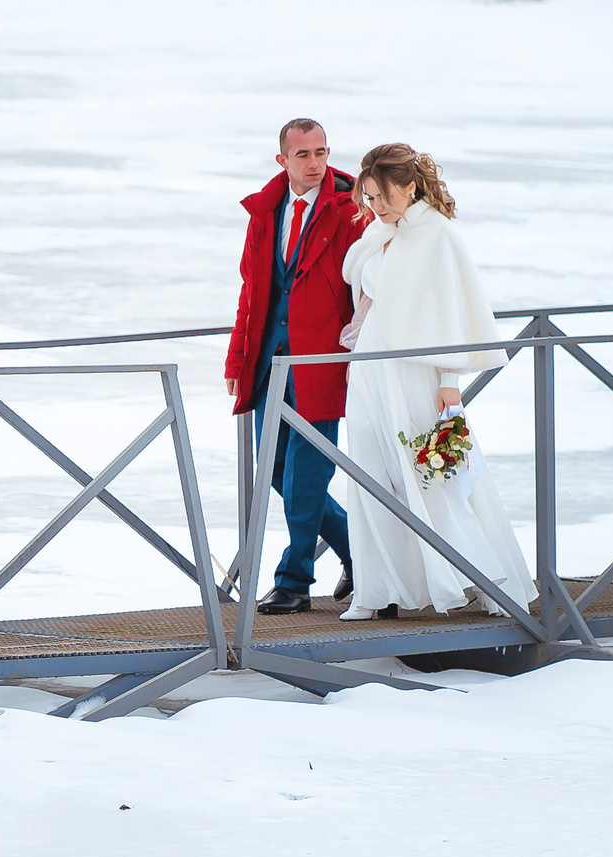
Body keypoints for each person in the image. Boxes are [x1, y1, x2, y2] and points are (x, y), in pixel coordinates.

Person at [334, 142, 536, 618]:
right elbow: (371, 297)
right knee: (369, 468)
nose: (375, 207)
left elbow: (450, 310)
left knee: (432, 472)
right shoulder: (382, 233)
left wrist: (450, 379)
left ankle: (486, 577)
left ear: (409, 186)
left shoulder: (437, 235)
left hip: (416, 367)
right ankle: (376, 588)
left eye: (382, 196)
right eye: (367, 197)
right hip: (369, 367)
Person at [225, 118, 369, 614]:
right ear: (282, 160)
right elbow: (251, 292)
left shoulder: (351, 210)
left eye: (322, 152)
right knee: (277, 471)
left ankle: (294, 581)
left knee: (306, 475)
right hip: (271, 363)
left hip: (322, 362)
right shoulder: (266, 211)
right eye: (303, 155)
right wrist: (238, 358)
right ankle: (359, 553)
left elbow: (369, 287)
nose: (315, 163)